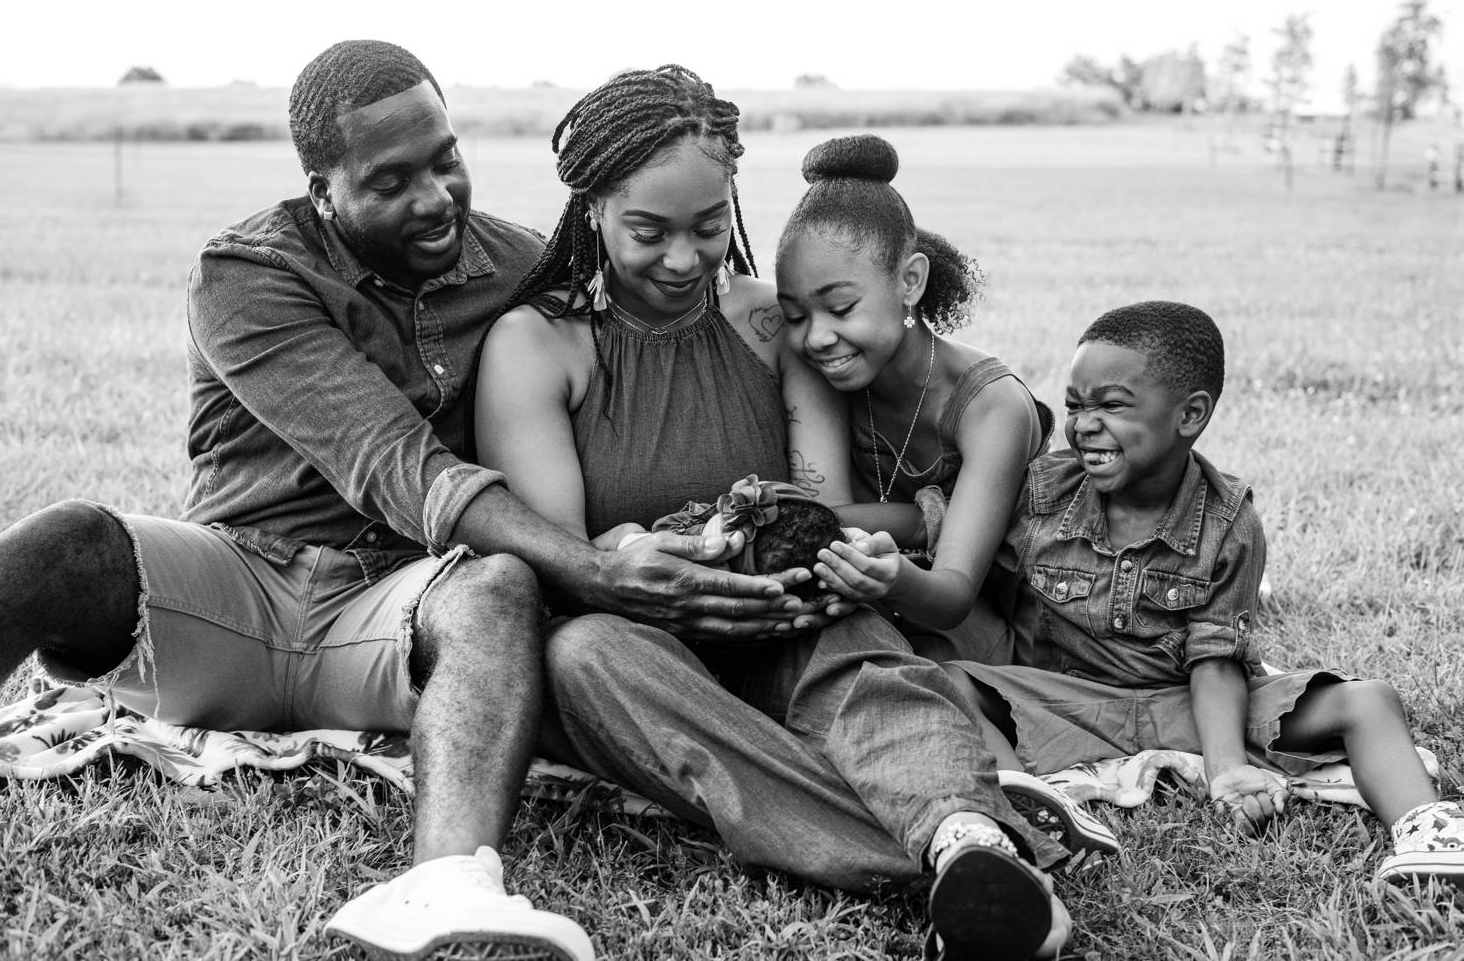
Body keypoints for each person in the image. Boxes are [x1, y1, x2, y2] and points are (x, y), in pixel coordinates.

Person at [0, 41, 818, 961]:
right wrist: (596, 568)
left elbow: (650, 363)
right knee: (66, 542)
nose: (435, 196)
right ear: (321, 186)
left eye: (446, 158)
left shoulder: (522, 266)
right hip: (240, 587)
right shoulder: (247, 274)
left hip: (404, 609)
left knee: (497, 582)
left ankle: (445, 886)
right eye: (391, 179)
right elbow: (391, 461)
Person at [476, 65, 1094, 961]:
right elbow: (568, 558)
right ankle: (971, 844)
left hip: (781, 611)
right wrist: (646, 547)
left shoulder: (772, 323)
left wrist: (801, 548)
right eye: (649, 231)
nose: (685, 259)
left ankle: (965, 835)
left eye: (709, 225)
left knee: (860, 657)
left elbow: (822, 502)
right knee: (579, 657)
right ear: (593, 209)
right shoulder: (538, 344)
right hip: (638, 636)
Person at [940, 300, 1464, 885]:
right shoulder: (1042, 492)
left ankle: (1427, 832)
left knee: (1365, 699)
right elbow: (949, 526)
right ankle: (1031, 808)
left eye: (1110, 405)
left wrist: (1228, 769)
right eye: (1075, 405)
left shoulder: (1228, 522)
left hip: (1190, 705)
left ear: (1189, 415)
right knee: (945, 682)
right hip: (1071, 704)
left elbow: (1216, 659)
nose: (1084, 423)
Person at [772, 134, 1055, 666]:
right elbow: (824, 513)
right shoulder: (836, 371)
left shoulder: (989, 407)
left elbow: (951, 594)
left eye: (840, 306)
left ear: (910, 281)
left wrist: (894, 572)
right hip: (876, 605)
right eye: (794, 315)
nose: (815, 337)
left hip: (989, 632)